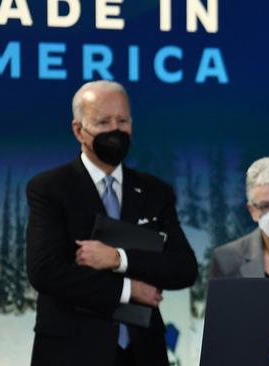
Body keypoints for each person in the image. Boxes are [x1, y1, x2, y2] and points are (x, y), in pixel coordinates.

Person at [26, 80, 198, 366]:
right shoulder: (49, 188)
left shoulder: (156, 191)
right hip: (72, 351)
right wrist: (130, 291)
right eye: (103, 122)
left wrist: (118, 259)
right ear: (79, 130)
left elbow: (184, 268)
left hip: (143, 352)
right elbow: (46, 271)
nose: (115, 130)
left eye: (122, 120)